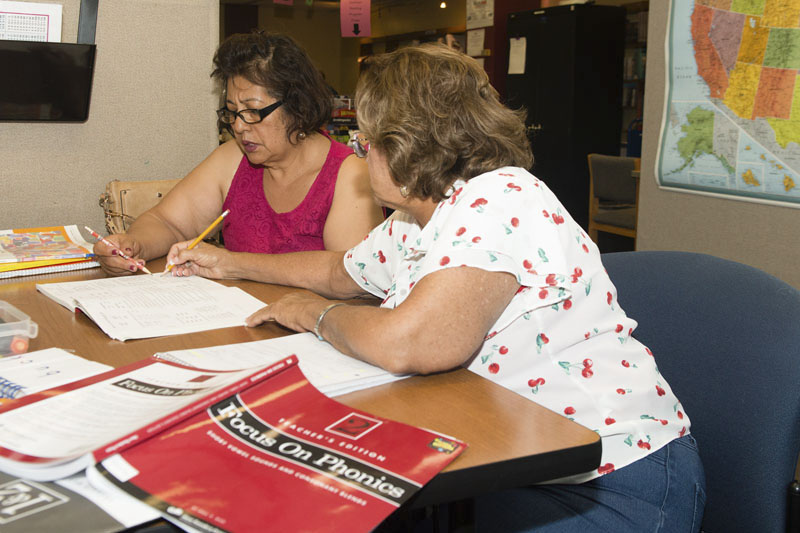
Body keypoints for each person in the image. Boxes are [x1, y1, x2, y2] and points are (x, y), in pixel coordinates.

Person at [164, 44, 706, 531]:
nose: (359, 151)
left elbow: (411, 342)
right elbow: (338, 273)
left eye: (366, 139)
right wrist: (231, 263)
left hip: (614, 480)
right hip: (510, 465)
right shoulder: (417, 218)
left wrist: (315, 315)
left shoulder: (501, 198)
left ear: (403, 145)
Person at [95, 31, 383, 275]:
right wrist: (133, 245)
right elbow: (167, 222)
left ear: (298, 106)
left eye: (253, 112)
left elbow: (347, 275)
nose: (239, 126)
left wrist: (233, 264)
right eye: (232, 113)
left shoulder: (350, 172)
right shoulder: (233, 159)